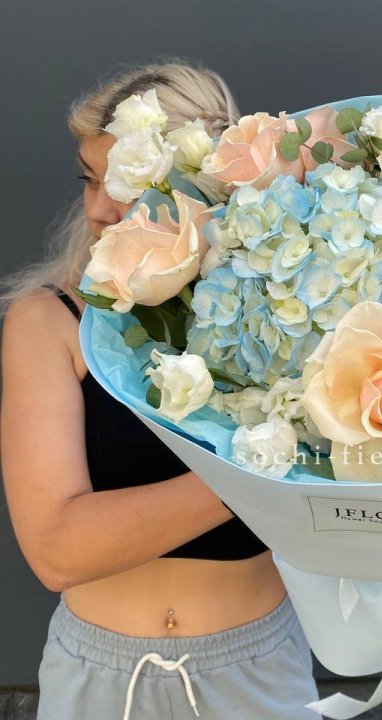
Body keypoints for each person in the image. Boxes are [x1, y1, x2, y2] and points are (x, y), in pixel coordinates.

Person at [0, 60, 320, 720]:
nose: (98, 208)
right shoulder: (49, 321)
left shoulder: (285, 315)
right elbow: (57, 550)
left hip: (256, 671)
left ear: (202, 177)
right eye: (89, 179)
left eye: (124, 183)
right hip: (97, 679)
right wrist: (259, 464)